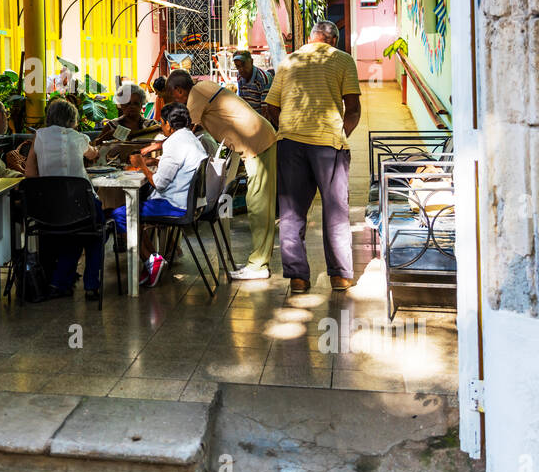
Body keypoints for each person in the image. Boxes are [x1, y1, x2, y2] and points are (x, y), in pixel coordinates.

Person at [264, 20, 362, 294]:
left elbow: (270, 105)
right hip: (328, 145)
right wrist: (342, 133)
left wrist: (285, 127)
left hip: (290, 143)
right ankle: (340, 276)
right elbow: (353, 107)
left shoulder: (289, 60)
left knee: (292, 212)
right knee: (335, 210)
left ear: (311, 38)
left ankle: (298, 278)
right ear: (333, 41)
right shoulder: (343, 60)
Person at [160, 68, 277, 281]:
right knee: (256, 203)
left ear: (178, 90)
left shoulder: (196, 93)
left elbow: (185, 131)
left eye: (170, 94)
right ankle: (256, 261)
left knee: (259, 204)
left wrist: (155, 147)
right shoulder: (204, 88)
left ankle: (259, 264)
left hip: (257, 143)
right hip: (249, 143)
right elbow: (222, 132)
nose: (171, 99)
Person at [114, 103, 207, 289]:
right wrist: (155, 158)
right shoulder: (189, 137)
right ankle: (152, 259)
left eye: (162, 123)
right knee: (136, 208)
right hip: (190, 202)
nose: (161, 127)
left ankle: (149, 259)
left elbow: (159, 183)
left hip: (175, 206)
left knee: (121, 214)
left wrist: (141, 165)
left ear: (168, 124)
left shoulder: (174, 143)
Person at [23, 97, 104, 300]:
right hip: (81, 205)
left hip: (48, 209)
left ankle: (59, 283)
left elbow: (30, 172)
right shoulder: (78, 137)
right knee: (96, 232)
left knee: (73, 233)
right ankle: (91, 285)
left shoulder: (39, 136)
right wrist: (97, 149)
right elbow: (93, 154)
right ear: (71, 120)